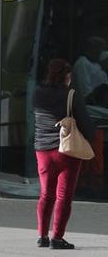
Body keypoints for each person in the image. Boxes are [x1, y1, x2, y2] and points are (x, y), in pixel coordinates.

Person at [33, 58, 96, 249]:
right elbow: (86, 126)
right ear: (67, 75)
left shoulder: (37, 94)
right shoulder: (71, 95)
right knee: (63, 196)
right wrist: (91, 136)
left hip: (42, 150)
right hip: (66, 151)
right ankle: (57, 238)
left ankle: (42, 236)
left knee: (46, 195)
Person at [71, 36, 108, 102]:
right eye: (101, 49)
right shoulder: (82, 63)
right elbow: (85, 92)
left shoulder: (97, 65)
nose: (102, 52)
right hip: (87, 105)